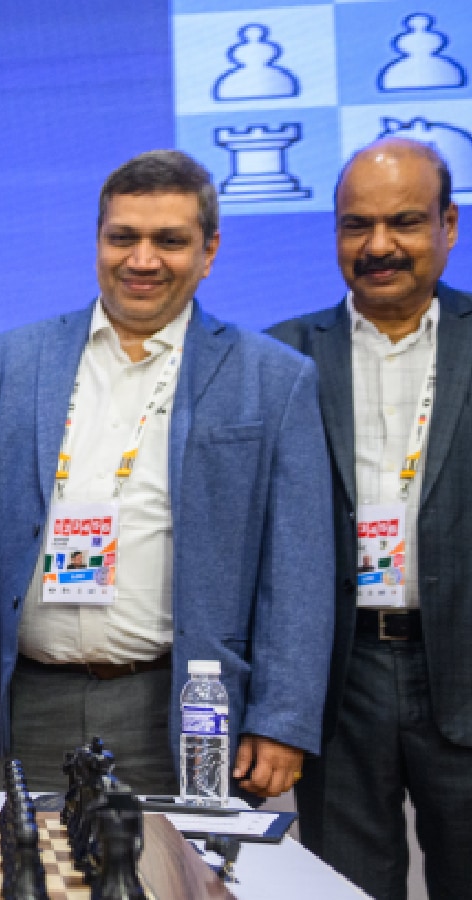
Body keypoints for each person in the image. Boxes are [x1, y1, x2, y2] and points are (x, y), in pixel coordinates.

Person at [0, 150, 334, 797]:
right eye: (122, 237)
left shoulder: (272, 378)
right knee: (32, 879)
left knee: (175, 888)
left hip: (182, 704)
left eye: (170, 241)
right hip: (30, 697)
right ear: (99, 240)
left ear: (209, 252)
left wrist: (283, 717)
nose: (142, 259)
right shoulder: (15, 358)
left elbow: (299, 565)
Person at [269, 137, 470, 900]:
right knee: (348, 888)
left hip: (465, 669)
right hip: (340, 680)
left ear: (449, 225)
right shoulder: (283, 356)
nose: (378, 246)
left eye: (405, 222)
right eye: (356, 225)